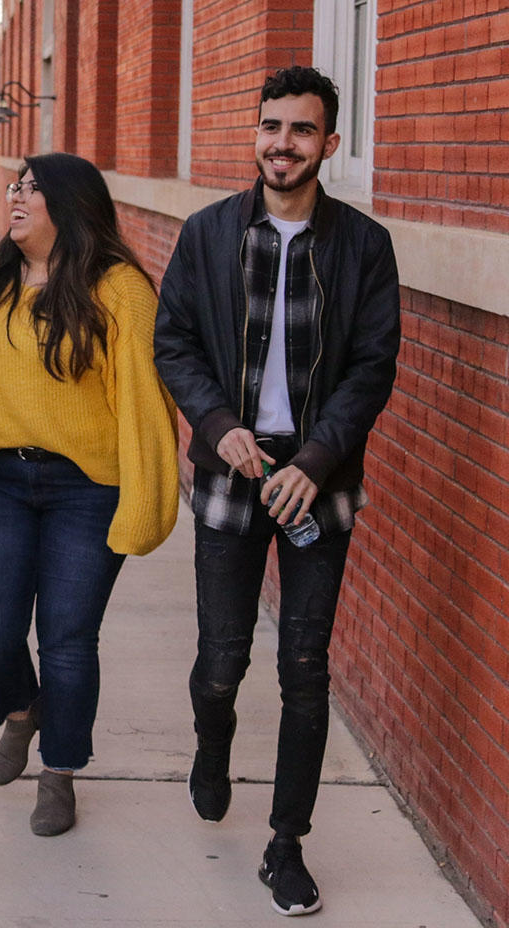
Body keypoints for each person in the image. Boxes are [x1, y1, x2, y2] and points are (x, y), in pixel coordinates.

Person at [154, 66, 400, 916]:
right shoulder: (210, 234)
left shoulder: (363, 245)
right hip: (231, 469)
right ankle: (211, 744)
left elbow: (372, 368)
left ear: (328, 144)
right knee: (221, 662)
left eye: (300, 130)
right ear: (255, 134)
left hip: (316, 479)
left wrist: (318, 459)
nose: (281, 144)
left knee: (305, 668)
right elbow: (174, 341)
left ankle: (285, 844)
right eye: (271, 127)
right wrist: (216, 422)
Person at [0, 151, 179, 837]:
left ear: (70, 205)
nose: (15, 196)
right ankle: (21, 711)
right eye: (15, 185)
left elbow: (143, 403)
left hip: (87, 488)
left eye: (32, 189)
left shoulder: (120, 288)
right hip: (0, 479)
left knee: (68, 639)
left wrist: (145, 503)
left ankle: (61, 772)